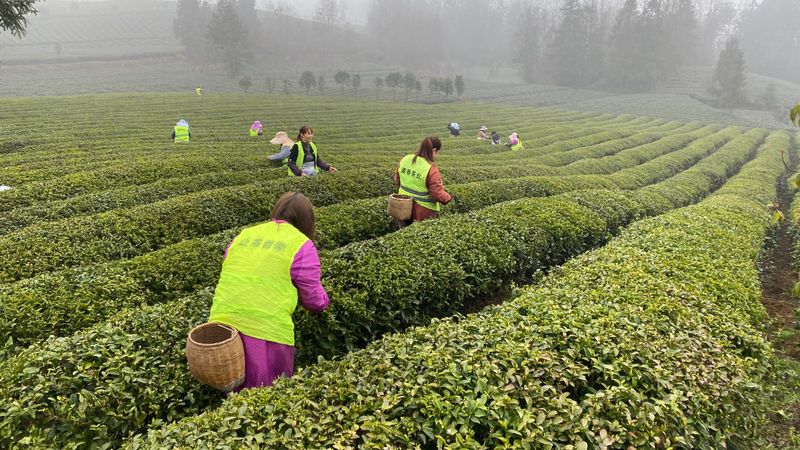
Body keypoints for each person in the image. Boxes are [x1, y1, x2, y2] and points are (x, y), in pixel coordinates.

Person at [208, 192, 330, 390]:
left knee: (232, 397)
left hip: (221, 324)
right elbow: (313, 299)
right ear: (307, 220)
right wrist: (325, 302)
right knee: (265, 395)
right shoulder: (302, 245)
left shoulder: (246, 234)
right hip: (264, 332)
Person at [393, 136, 452, 226]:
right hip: (422, 212)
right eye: (438, 152)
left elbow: (397, 180)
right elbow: (437, 194)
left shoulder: (406, 159)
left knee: (404, 233)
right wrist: (448, 198)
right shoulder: (431, 169)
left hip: (402, 206)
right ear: (434, 150)